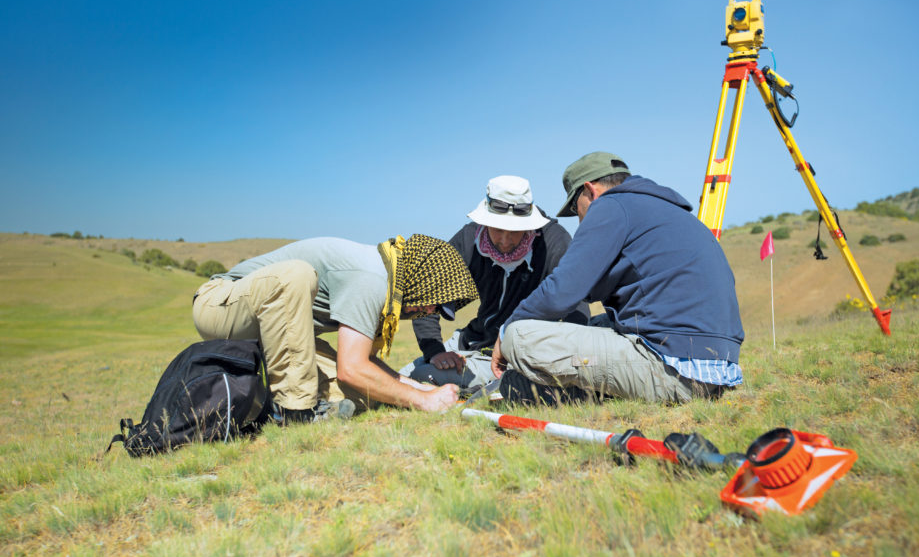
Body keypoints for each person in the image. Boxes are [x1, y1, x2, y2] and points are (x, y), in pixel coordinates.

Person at [490, 152, 744, 405]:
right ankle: (570, 393)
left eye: (575, 208)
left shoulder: (611, 205)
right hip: (718, 369)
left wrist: (505, 331)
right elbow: (595, 288)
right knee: (596, 324)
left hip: (673, 369)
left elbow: (563, 291)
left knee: (519, 335)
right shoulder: (665, 210)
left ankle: (571, 389)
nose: (579, 219)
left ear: (590, 191)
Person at [192, 234, 478, 422]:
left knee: (363, 395)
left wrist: (423, 389)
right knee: (296, 275)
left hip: (276, 329)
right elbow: (351, 368)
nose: (430, 312)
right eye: (434, 304)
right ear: (423, 280)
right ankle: (293, 412)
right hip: (220, 305)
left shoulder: (388, 282)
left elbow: (365, 367)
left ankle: (284, 402)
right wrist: (422, 402)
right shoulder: (371, 280)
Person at [400, 176, 588, 392]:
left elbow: (576, 301)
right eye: (498, 229)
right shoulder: (468, 239)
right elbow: (428, 295)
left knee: (420, 377)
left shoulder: (553, 241)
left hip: (517, 353)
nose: (505, 240)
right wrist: (434, 350)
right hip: (471, 339)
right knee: (399, 376)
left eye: (515, 231)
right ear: (485, 221)